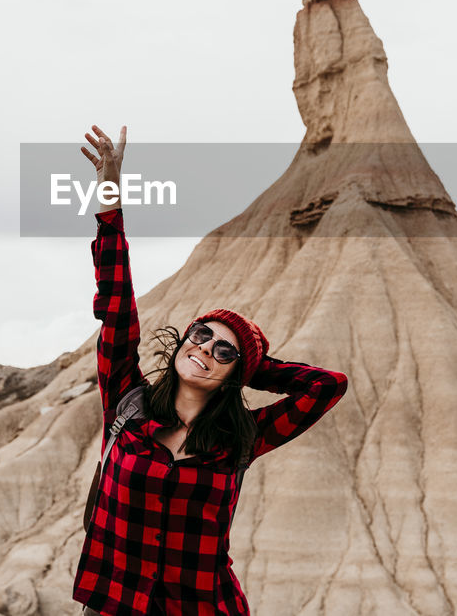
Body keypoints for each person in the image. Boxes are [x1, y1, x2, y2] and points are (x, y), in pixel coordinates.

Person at [73, 125, 350, 616]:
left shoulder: (242, 438)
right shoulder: (127, 404)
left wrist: (255, 368)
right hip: (115, 606)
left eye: (225, 352)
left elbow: (327, 386)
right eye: (201, 334)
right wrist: (110, 197)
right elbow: (116, 303)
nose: (206, 349)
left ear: (236, 375)